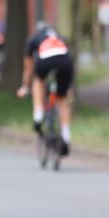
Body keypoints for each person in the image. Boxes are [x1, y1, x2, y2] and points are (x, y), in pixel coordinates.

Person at [17, 20, 75, 156]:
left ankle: (38, 114)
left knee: (37, 82)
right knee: (62, 99)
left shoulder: (33, 39)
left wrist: (25, 87)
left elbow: (28, 68)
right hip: (65, 62)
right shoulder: (60, 37)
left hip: (46, 60)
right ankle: (66, 135)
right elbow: (68, 55)